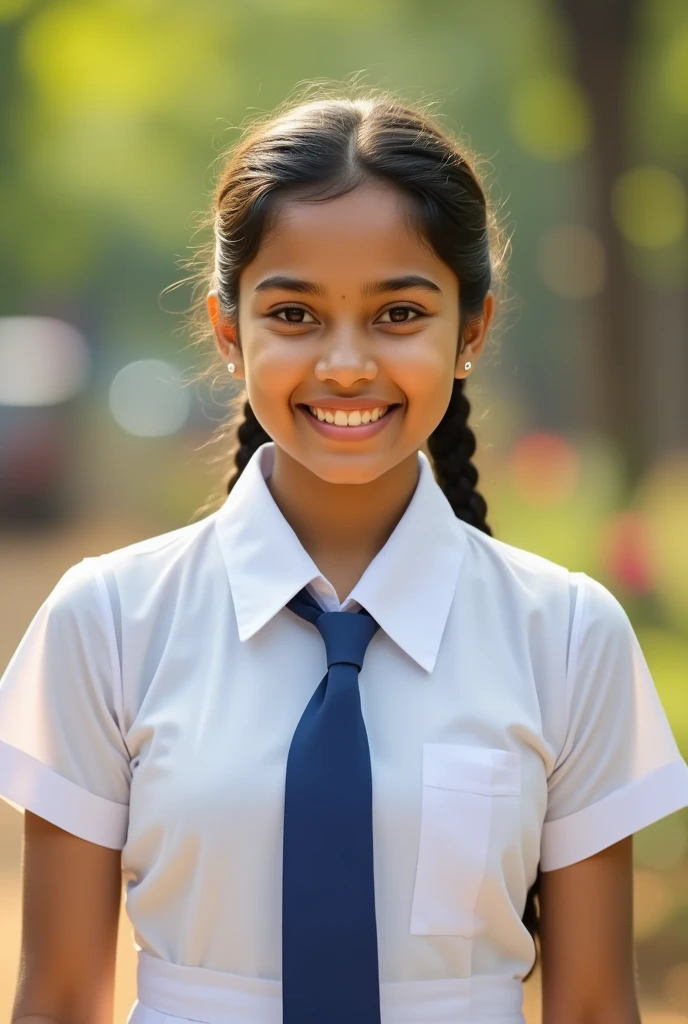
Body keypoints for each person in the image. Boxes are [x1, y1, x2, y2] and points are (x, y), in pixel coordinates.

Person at [2, 86, 688, 1024]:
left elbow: (597, 1005)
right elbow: (61, 996)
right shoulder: (110, 622)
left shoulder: (565, 637)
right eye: (294, 315)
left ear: (472, 331)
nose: (347, 364)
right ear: (228, 332)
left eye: (400, 314)